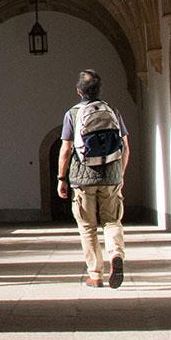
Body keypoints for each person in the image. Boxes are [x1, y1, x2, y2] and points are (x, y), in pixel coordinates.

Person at [56, 69, 130, 288]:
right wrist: (120, 174)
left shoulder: (72, 114)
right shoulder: (113, 111)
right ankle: (116, 254)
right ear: (99, 90)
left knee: (87, 227)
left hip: (83, 179)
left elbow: (66, 149)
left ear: (79, 91)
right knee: (112, 221)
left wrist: (61, 178)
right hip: (111, 177)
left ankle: (95, 274)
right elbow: (126, 147)